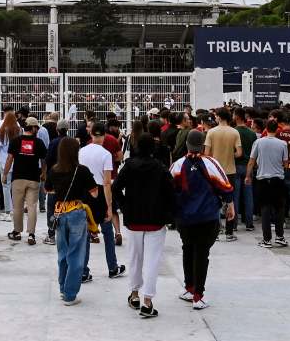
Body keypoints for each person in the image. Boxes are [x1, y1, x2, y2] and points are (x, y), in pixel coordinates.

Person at [171, 130, 235, 310]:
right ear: (203, 144)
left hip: (184, 218)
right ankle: (198, 296)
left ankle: (189, 288)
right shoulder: (211, 163)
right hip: (207, 217)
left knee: (187, 250)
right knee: (202, 254)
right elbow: (225, 186)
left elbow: (170, 189)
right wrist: (230, 205)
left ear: (187, 145)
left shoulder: (177, 165)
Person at [113, 134, 174, 319]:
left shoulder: (129, 165)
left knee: (134, 258)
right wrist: (168, 214)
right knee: (152, 261)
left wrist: (124, 206)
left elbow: (116, 187)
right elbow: (171, 192)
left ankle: (134, 294)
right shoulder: (160, 168)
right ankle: (148, 301)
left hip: (133, 219)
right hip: (155, 220)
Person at [49, 136, 99, 305]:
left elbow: (48, 189)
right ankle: (70, 294)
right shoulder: (82, 170)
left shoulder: (54, 170)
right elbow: (94, 193)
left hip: (60, 214)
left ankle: (63, 288)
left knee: (62, 253)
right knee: (76, 254)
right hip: (77, 213)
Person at [78, 122, 125, 279]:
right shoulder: (105, 154)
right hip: (100, 195)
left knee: (85, 233)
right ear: (104, 136)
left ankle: (83, 270)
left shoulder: (81, 152)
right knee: (107, 232)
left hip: (85, 194)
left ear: (91, 134)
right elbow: (106, 182)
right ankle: (112, 267)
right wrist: (109, 206)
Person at [3, 116, 47, 244]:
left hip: (18, 178)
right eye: (37, 128)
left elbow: (9, 159)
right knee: (32, 206)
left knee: (17, 207)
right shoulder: (39, 143)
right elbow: (44, 161)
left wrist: (5, 174)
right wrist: (44, 173)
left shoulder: (16, 141)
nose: (37, 130)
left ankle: (17, 232)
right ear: (33, 128)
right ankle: (31, 235)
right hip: (33, 179)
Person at [246, 119, 289, 248]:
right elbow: (285, 163)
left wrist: (248, 176)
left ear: (266, 128)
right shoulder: (283, 144)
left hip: (263, 179)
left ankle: (267, 239)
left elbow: (251, 161)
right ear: (277, 130)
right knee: (279, 209)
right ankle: (280, 236)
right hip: (278, 179)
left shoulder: (258, 142)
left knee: (265, 209)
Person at [204, 109, 242, 241]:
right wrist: (229, 154)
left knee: (214, 201)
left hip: (214, 172)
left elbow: (206, 153)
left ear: (219, 117)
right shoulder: (234, 132)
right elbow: (239, 153)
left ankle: (216, 230)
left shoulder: (211, 132)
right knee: (229, 201)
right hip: (230, 171)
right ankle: (229, 232)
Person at [232, 109, 257, 231]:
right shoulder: (252, 133)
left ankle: (234, 223)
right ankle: (249, 223)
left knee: (235, 196)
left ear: (237, 117)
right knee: (248, 195)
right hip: (248, 167)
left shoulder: (233, 132)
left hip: (235, 166)